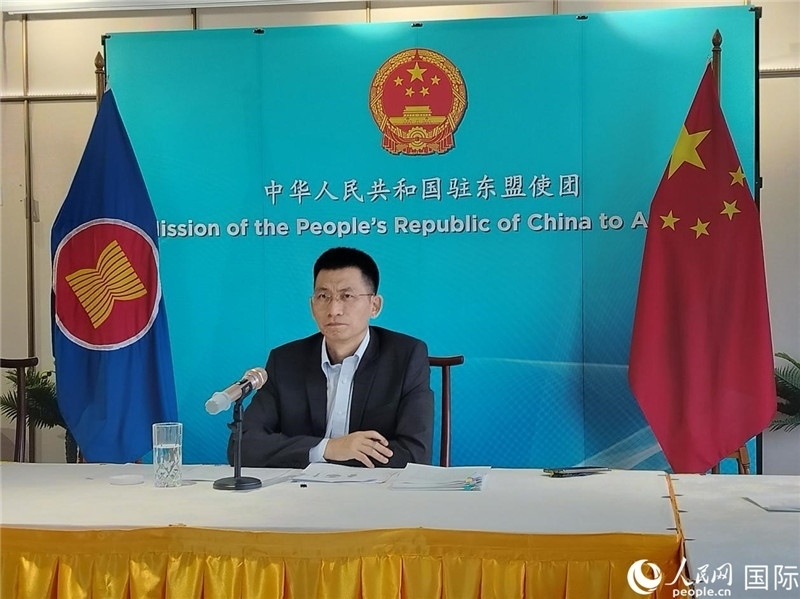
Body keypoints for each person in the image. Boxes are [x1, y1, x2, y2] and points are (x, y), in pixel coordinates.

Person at [230, 247, 433, 468]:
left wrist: (339, 458)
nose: (334, 309)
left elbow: (415, 454)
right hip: (300, 488)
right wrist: (328, 448)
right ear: (312, 306)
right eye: (323, 296)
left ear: (374, 306)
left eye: (347, 296)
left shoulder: (406, 357)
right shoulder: (285, 361)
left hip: (372, 488)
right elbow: (242, 446)